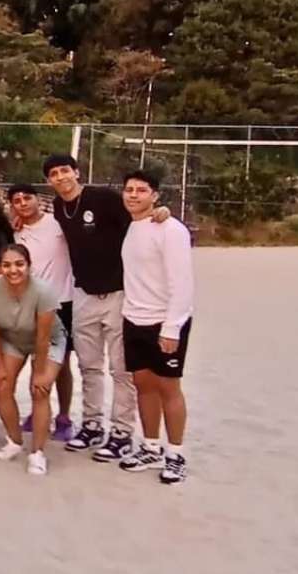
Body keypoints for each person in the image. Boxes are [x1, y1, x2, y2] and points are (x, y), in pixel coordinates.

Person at [43, 153, 169, 463]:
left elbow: (139, 218)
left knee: (121, 368)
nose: (60, 177)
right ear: (49, 181)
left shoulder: (103, 199)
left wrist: (160, 211)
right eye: (53, 174)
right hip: (83, 293)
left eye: (64, 171)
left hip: (118, 294)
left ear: (76, 172)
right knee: (88, 366)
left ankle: (122, 433)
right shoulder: (58, 207)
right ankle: (91, 424)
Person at [116, 170, 194, 485]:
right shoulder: (130, 227)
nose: (133, 195)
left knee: (168, 388)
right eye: (129, 189)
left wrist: (172, 327)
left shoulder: (171, 229)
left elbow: (182, 283)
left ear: (155, 195)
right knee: (144, 385)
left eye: (141, 190)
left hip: (165, 322)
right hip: (133, 318)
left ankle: (175, 454)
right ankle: (150, 447)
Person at [0, 245, 67, 475]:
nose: (13, 270)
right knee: (1, 384)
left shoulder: (44, 291)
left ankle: (38, 453)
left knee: (39, 389)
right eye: (7, 265)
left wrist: (39, 373)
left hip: (48, 340)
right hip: (13, 338)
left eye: (19, 264)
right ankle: (14, 441)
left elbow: (42, 338)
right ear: (0, 267)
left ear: (29, 266)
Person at [7, 183, 76, 442]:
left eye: (27, 198)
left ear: (38, 199)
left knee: (62, 364)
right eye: (17, 200)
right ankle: (38, 412)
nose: (23, 203)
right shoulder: (15, 232)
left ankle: (64, 416)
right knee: (36, 361)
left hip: (61, 302)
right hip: (29, 305)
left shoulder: (58, 224)